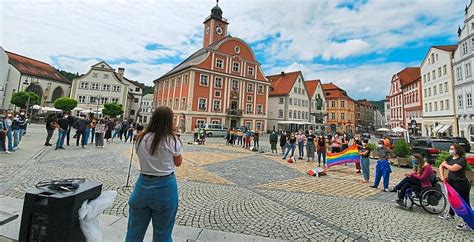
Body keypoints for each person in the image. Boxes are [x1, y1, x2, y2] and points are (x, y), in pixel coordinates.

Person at [125, 106, 182, 242]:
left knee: (133, 233)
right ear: (169, 121)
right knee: (163, 234)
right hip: (165, 187)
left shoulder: (140, 138)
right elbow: (178, 162)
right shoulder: (172, 140)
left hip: (142, 185)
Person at [438, 144, 472, 230]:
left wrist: (445, 165)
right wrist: (442, 177)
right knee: (453, 200)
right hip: (451, 183)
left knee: (464, 203)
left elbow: (453, 168)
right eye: (450, 148)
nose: (450, 150)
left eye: (452, 149)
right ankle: (451, 214)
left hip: (461, 185)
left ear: (458, 150)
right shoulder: (450, 158)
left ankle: (468, 223)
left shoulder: (462, 159)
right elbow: (440, 167)